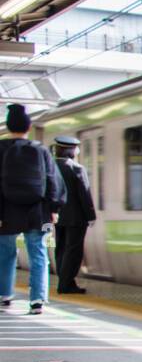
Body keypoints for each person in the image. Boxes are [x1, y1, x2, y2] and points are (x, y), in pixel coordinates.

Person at [0, 104, 66, 314]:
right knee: (38, 253)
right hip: (37, 211)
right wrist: (54, 209)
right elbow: (52, 180)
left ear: (8, 126)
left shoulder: (1, 149)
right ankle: (37, 300)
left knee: (5, 253)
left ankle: (4, 295)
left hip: (6, 210)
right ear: (28, 127)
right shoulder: (41, 150)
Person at [52, 134, 96, 294]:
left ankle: (63, 281)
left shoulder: (51, 167)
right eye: (76, 148)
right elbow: (84, 193)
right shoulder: (77, 168)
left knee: (61, 248)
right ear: (71, 150)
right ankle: (66, 284)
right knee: (74, 250)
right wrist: (91, 215)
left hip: (57, 216)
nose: (77, 150)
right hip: (76, 218)